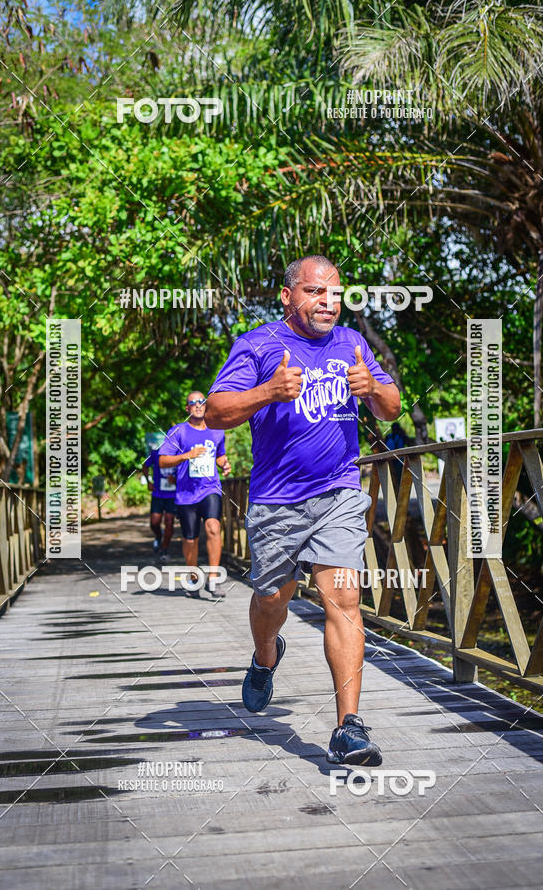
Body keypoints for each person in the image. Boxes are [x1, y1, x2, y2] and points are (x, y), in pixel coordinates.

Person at [206, 254, 400, 766]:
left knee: (344, 600)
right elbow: (215, 411)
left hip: (338, 491)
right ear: (288, 296)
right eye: (316, 292)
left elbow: (392, 405)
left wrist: (373, 388)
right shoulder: (257, 345)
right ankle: (265, 658)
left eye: (335, 294)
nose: (328, 303)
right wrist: (267, 391)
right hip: (276, 500)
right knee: (272, 599)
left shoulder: (352, 344)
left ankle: (349, 727)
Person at [158, 392, 231, 596]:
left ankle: (214, 579)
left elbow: (220, 455)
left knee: (213, 527)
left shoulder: (217, 430)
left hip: (210, 488)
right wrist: (186, 456)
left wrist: (225, 465)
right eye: (193, 403)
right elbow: (162, 460)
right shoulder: (178, 432)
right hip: (186, 494)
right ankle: (192, 575)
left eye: (202, 402)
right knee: (190, 539)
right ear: (187, 408)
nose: (198, 405)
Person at [142, 444, 178, 562]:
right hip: (158, 494)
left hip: (172, 495)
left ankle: (164, 549)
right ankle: (158, 535)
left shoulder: (180, 454)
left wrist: (176, 480)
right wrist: (148, 482)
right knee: (154, 522)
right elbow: (144, 466)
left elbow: (186, 472)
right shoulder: (156, 453)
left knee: (169, 521)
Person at [385, 422, 411, 487]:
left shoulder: (388, 437)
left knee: (393, 479)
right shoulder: (402, 436)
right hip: (400, 460)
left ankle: (396, 493)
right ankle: (399, 493)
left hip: (390, 460)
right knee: (399, 478)